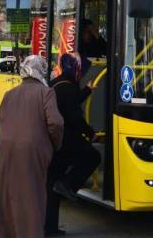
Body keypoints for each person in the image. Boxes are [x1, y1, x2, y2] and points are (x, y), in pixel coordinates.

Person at [0, 55, 64, 238]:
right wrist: (54, 145)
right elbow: (56, 123)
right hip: (32, 151)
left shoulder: (9, 94)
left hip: (4, 149)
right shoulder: (46, 93)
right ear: (41, 71)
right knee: (31, 195)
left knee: (4, 194)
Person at [45, 53, 101, 236]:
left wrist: (87, 91)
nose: (82, 73)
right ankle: (68, 185)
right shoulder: (68, 89)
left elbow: (69, 102)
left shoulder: (56, 84)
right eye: (81, 69)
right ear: (75, 69)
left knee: (52, 183)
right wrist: (90, 133)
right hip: (66, 141)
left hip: (51, 142)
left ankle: (50, 228)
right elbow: (75, 117)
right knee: (93, 157)